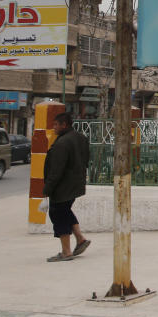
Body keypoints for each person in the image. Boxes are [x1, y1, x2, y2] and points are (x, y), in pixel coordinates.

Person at [42, 112, 91, 262]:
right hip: (75, 184)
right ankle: (80, 238)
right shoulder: (80, 138)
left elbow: (56, 170)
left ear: (64, 125)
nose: (54, 127)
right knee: (65, 211)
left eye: (56, 124)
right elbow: (86, 159)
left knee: (58, 215)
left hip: (62, 187)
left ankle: (66, 251)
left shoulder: (62, 143)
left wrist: (47, 190)